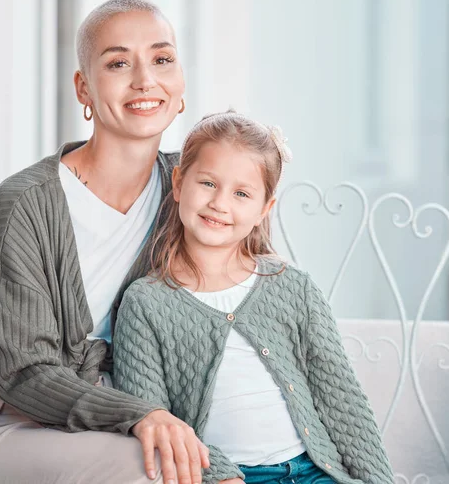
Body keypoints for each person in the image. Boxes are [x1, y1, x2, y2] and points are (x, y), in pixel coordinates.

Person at [0, 0, 210, 484]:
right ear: (83, 88)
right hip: (11, 427)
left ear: (181, 83)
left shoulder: (191, 193)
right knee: (154, 472)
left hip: (134, 425)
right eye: (117, 62)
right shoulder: (23, 205)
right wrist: (140, 415)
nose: (144, 79)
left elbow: (246, 299)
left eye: (162, 58)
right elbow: (24, 373)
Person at [113, 110, 396, 484]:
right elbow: (154, 418)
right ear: (179, 183)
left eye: (241, 193)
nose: (220, 203)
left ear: (264, 209)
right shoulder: (146, 302)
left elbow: (341, 399)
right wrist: (217, 474)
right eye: (208, 183)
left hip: (315, 471)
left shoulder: (293, 287)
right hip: (229, 476)